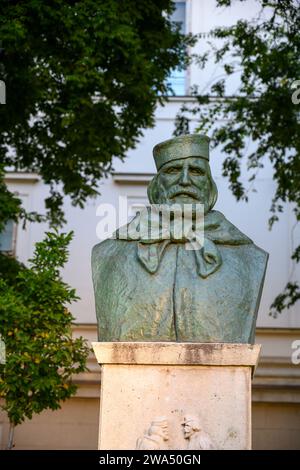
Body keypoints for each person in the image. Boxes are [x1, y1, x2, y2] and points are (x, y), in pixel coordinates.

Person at [92, 134, 268, 343]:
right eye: (173, 170)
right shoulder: (108, 253)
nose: (185, 180)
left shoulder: (249, 257)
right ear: (156, 184)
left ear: (210, 185)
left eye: (196, 171)